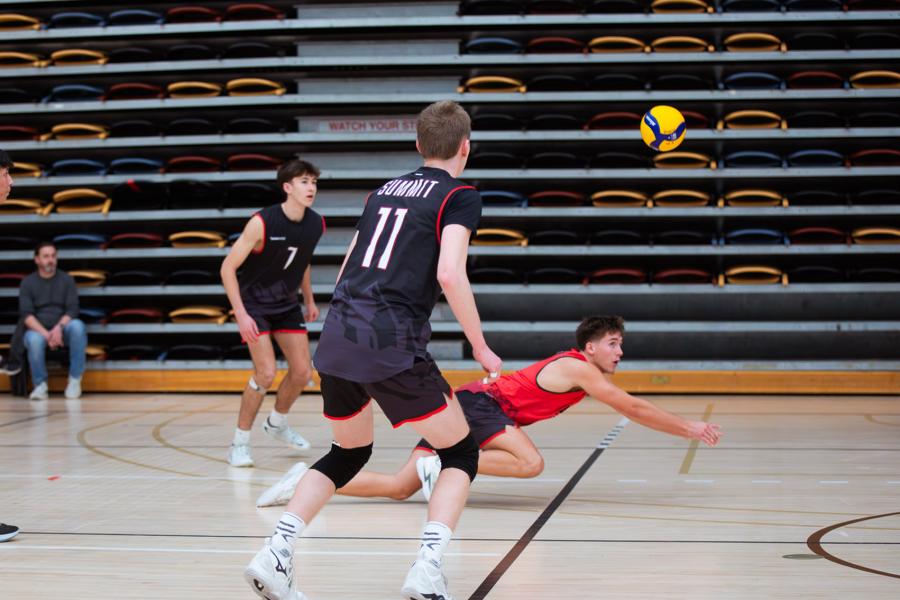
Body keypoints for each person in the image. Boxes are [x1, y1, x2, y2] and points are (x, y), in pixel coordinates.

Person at [244, 100, 502, 600]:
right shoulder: (460, 195)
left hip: (340, 332)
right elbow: (450, 273)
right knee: (460, 451)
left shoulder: (382, 191)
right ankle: (427, 570)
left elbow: (348, 266)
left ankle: (275, 551)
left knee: (348, 452)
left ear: (418, 145)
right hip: (390, 339)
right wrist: (480, 345)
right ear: (465, 148)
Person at [256, 316, 722, 507]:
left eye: (621, 345)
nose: (620, 352)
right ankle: (442, 464)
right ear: (590, 348)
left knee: (400, 488)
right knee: (531, 463)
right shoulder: (579, 368)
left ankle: (305, 480)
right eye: (614, 344)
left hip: (471, 405)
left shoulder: (580, 369)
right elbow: (632, 407)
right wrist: (689, 427)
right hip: (481, 405)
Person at [220, 159, 325, 467]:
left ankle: (277, 423)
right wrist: (241, 314)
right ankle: (239, 443)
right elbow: (227, 268)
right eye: (304, 182)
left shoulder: (316, 223)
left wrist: (309, 299)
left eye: (314, 182)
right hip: (254, 305)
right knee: (265, 373)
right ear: (287, 187)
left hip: (286, 304)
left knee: (303, 372)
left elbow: (303, 262)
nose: (311, 188)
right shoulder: (261, 222)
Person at [19, 240, 87, 401]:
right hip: (38, 330)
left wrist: (58, 329)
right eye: (46, 256)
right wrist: (47, 334)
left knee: (78, 327)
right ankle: (40, 386)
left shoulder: (67, 280)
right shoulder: (27, 283)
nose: (50, 260)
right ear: (37, 259)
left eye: (53, 256)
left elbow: (73, 309)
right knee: (33, 340)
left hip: (63, 328)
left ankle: (74, 381)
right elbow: (26, 315)